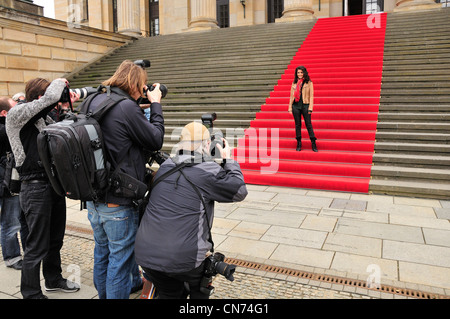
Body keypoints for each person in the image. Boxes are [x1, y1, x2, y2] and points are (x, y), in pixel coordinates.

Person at [134, 121, 248, 299]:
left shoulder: (165, 167)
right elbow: (239, 191)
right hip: (184, 260)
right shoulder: (208, 170)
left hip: (146, 255)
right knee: (199, 289)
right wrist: (228, 160)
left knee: (169, 291)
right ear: (206, 144)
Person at [84, 60, 164, 299]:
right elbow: (155, 139)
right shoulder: (126, 108)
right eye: (142, 86)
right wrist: (156, 104)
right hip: (118, 200)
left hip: (93, 196)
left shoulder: (93, 100)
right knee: (119, 262)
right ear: (135, 84)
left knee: (102, 254)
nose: (143, 91)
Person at [6, 78, 81, 299]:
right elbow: (49, 99)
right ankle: (31, 293)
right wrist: (59, 82)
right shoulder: (17, 114)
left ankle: (53, 279)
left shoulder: (43, 117)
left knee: (55, 240)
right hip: (35, 187)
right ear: (40, 96)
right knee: (36, 245)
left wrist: (66, 107)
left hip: (54, 185)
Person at [0, 97, 28, 270]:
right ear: (4, 113)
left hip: (5, 181)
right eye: (13, 108)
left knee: (10, 221)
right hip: (6, 183)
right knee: (10, 223)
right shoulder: (4, 131)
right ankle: (11, 257)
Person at [288, 66, 318, 152]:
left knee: (308, 124)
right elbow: (291, 97)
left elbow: (311, 96)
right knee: (297, 125)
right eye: (298, 73)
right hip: (296, 106)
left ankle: (313, 142)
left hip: (305, 105)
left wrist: (310, 108)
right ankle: (299, 143)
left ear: (304, 73)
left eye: (301, 72)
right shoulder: (294, 83)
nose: (300, 74)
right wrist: (290, 108)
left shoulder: (309, 83)